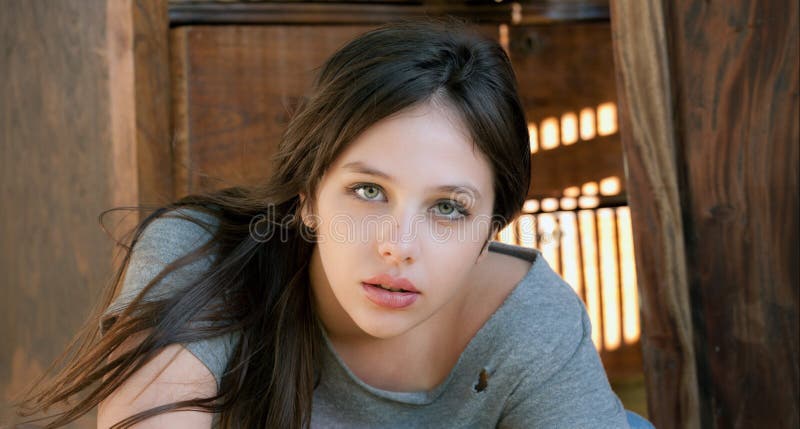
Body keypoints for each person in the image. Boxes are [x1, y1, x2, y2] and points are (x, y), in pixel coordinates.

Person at [18, 19, 651, 428]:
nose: (398, 246)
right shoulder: (203, 259)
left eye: (449, 208)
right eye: (368, 190)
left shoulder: (529, 324)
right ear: (308, 197)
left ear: (492, 229)